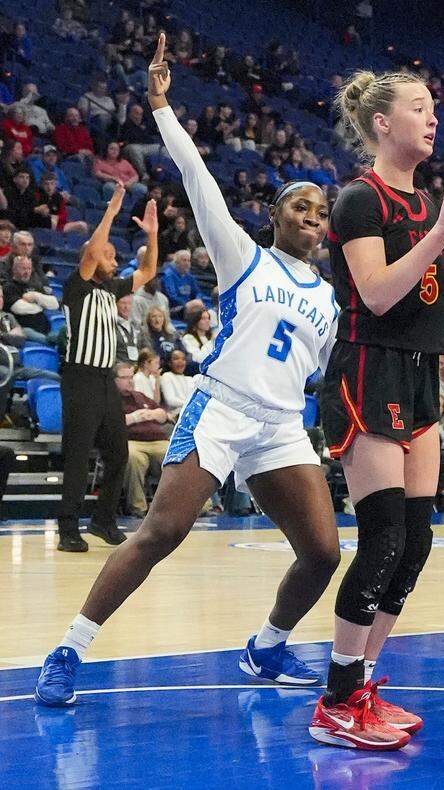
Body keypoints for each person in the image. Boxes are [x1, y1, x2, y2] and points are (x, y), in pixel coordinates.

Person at [35, 33, 342, 709]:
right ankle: (68, 649)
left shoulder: (329, 300)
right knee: (162, 532)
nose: (312, 218)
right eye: (300, 207)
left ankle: (266, 648)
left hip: (282, 425)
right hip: (223, 406)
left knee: (323, 552)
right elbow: (199, 180)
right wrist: (162, 107)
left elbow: (331, 373)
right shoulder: (243, 256)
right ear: (275, 215)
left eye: (320, 213)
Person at [313, 68, 444, 750]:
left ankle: (360, 681)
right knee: (383, 539)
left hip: (420, 376)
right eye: (419, 108)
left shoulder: (425, 203)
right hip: (368, 370)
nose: (432, 118)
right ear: (382, 124)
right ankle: (335, 700)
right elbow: (379, 294)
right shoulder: (360, 201)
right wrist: (443, 227)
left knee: (415, 545)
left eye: (434, 107)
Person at [51, 183, 158, 553]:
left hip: (104, 380)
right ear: (93, 260)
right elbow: (94, 249)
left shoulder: (111, 289)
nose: (114, 260)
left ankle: (102, 519)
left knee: (118, 453)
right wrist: (111, 210)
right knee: (79, 457)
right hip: (78, 378)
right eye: (110, 256)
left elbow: (148, 270)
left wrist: (153, 234)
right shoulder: (76, 286)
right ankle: (68, 527)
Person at [117, 360, 172, 517]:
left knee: (176, 458)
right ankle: (138, 507)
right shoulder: (110, 399)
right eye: (125, 377)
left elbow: (164, 414)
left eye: (131, 376)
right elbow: (108, 423)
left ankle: (197, 506)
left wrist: (154, 414)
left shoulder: (140, 396)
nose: (131, 380)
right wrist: (134, 417)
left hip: (157, 440)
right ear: (114, 380)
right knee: (133, 459)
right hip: (131, 441)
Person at [159, 348, 193, 417]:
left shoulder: (190, 379)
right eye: (176, 359)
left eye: (183, 359)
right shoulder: (167, 376)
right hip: (176, 415)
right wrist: (189, 404)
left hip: (190, 411)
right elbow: (170, 400)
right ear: (169, 363)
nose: (180, 361)